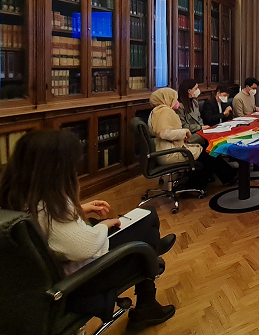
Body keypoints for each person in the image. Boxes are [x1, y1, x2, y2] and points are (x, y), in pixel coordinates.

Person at [0, 130, 176, 331]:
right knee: (148, 219)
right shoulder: (48, 208)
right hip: (81, 281)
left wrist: (79, 209)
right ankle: (150, 268)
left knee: (143, 229)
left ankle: (152, 255)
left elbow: (49, 227)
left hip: (49, 276)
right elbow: (85, 247)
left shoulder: (17, 196)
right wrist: (103, 225)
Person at [148, 88, 235, 187]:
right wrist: (184, 132)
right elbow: (164, 133)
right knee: (209, 154)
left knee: (208, 153)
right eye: (174, 98)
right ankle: (197, 185)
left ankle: (221, 177)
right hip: (170, 152)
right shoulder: (165, 111)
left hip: (165, 149)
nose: (176, 101)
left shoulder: (156, 111)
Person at [176, 79, 208, 145]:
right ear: (189, 91)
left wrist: (203, 127)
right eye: (196, 88)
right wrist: (200, 127)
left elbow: (199, 118)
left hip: (199, 131)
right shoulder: (179, 106)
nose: (198, 90)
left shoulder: (195, 102)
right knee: (206, 138)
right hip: (188, 135)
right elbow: (183, 126)